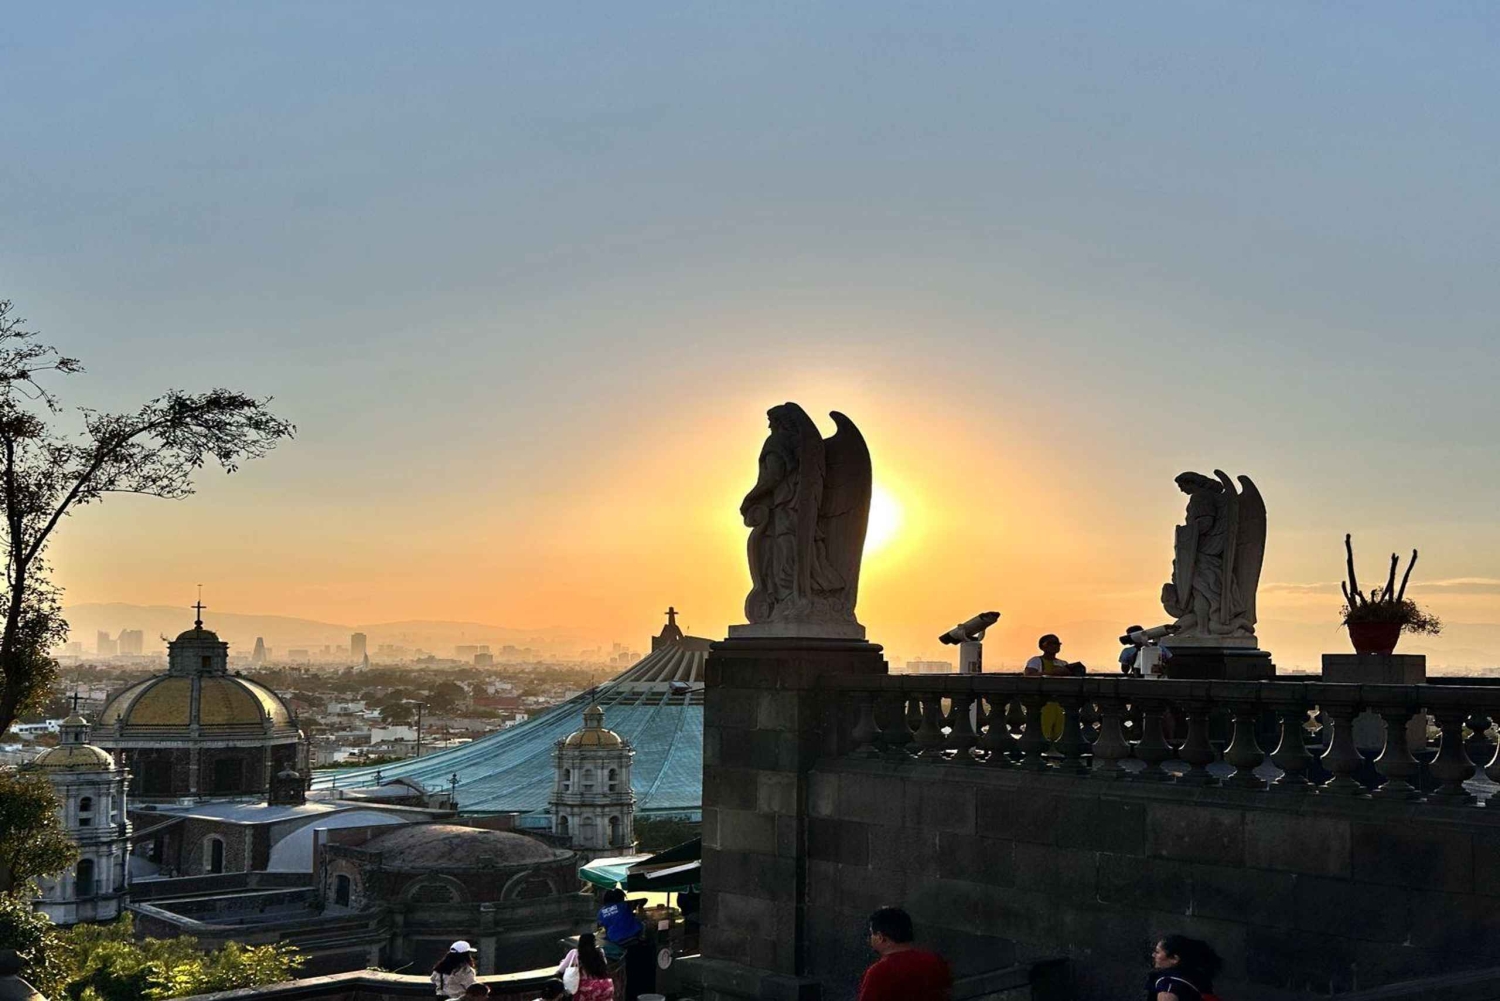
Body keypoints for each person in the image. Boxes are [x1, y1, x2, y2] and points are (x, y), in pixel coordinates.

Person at [856, 906, 951, 1001]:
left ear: (880, 937)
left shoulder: (877, 972)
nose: (870, 938)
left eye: (872, 933)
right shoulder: (935, 961)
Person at [1023, 635, 1084, 741]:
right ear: (1042, 646)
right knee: (1042, 733)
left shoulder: (1063, 663)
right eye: (1051, 643)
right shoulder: (1036, 661)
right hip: (1043, 704)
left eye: (1057, 643)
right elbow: (1029, 676)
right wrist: (1053, 673)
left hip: (1060, 705)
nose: (1054, 646)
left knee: (1060, 735)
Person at [597, 887, 654, 999]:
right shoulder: (625, 905)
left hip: (616, 942)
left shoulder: (601, 912)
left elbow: (602, 925)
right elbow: (644, 899)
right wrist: (638, 907)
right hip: (634, 940)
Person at [1147, 934, 1223, 1001]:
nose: (1153, 955)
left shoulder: (1168, 983)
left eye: (1157, 952)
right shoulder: (1197, 979)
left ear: (1175, 959)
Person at [566, 932, 615, 1001]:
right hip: (604, 985)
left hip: (584, 989)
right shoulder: (600, 951)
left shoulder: (575, 953)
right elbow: (605, 965)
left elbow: (561, 969)